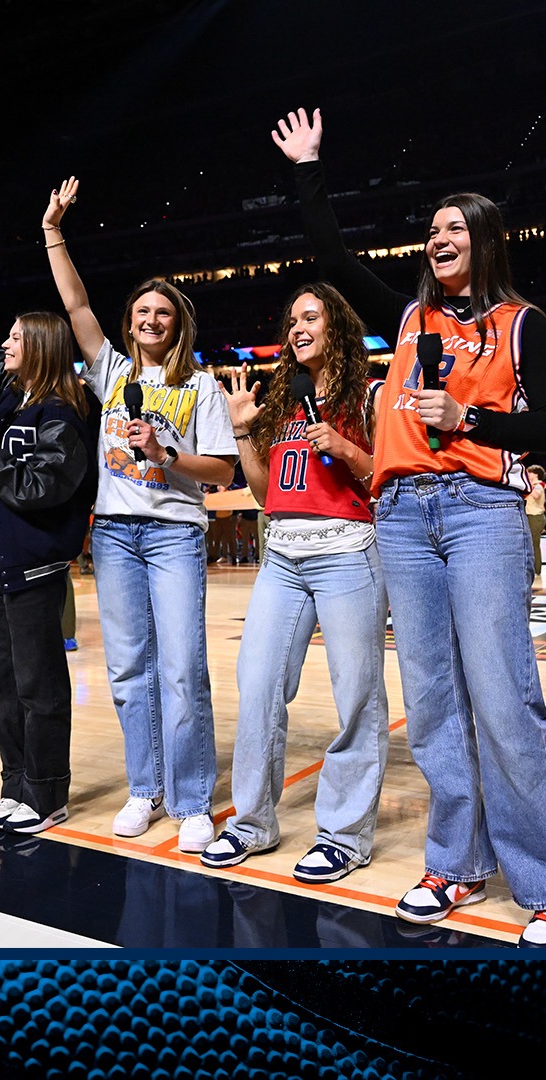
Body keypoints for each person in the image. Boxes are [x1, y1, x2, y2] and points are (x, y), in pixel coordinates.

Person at [275, 108, 546, 940]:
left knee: (503, 697)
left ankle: (538, 879)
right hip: (399, 513)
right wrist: (308, 169)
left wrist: (470, 419)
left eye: (455, 228)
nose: (438, 237)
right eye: (432, 229)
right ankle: (457, 866)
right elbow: (331, 258)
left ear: (488, 241)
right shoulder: (404, 318)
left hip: (480, 513)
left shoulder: (523, 324)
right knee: (431, 704)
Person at [44, 178, 238, 852]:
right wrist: (53, 231)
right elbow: (74, 303)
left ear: (178, 324)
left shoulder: (201, 386)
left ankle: (191, 802)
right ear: (130, 323)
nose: (152, 320)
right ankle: (144, 789)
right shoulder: (112, 372)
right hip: (118, 536)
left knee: (183, 666)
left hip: (175, 534)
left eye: (164, 314)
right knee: (128, 668)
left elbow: (221, 472)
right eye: (142, 313)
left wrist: (165, 451)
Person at [203, 284, 390, 884]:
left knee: (357, 694)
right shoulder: (283, 400)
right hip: (281, 555)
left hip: (349, 553)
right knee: (257, 684)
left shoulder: (370, 395)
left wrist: (348, 449)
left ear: (336, 325)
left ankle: (345, 834)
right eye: (291, 320)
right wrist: (239, 434)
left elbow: (388, 476)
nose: (296, 328)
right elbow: (264, 494)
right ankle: (253, 823)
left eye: (309, 317)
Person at [0, 239, 99, 834]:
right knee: (1, 684)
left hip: (33, 562)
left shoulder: (62, 412)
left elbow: (40, 490)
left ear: (39, 350)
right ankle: (15, 784)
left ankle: (48, 792)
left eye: (14, 337)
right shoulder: (10, 393)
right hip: (0, 554)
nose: (3, 344)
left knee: (40, 685)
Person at [527, 465, 545, 585]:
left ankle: (537, 570)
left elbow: (536, 495)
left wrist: (529, 486)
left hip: (535, 517)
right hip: (529, 516)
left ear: (536, 474)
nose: (528, 474)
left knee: (534, 544)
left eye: (530, 473)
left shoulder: (538, 486)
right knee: (530, 544)